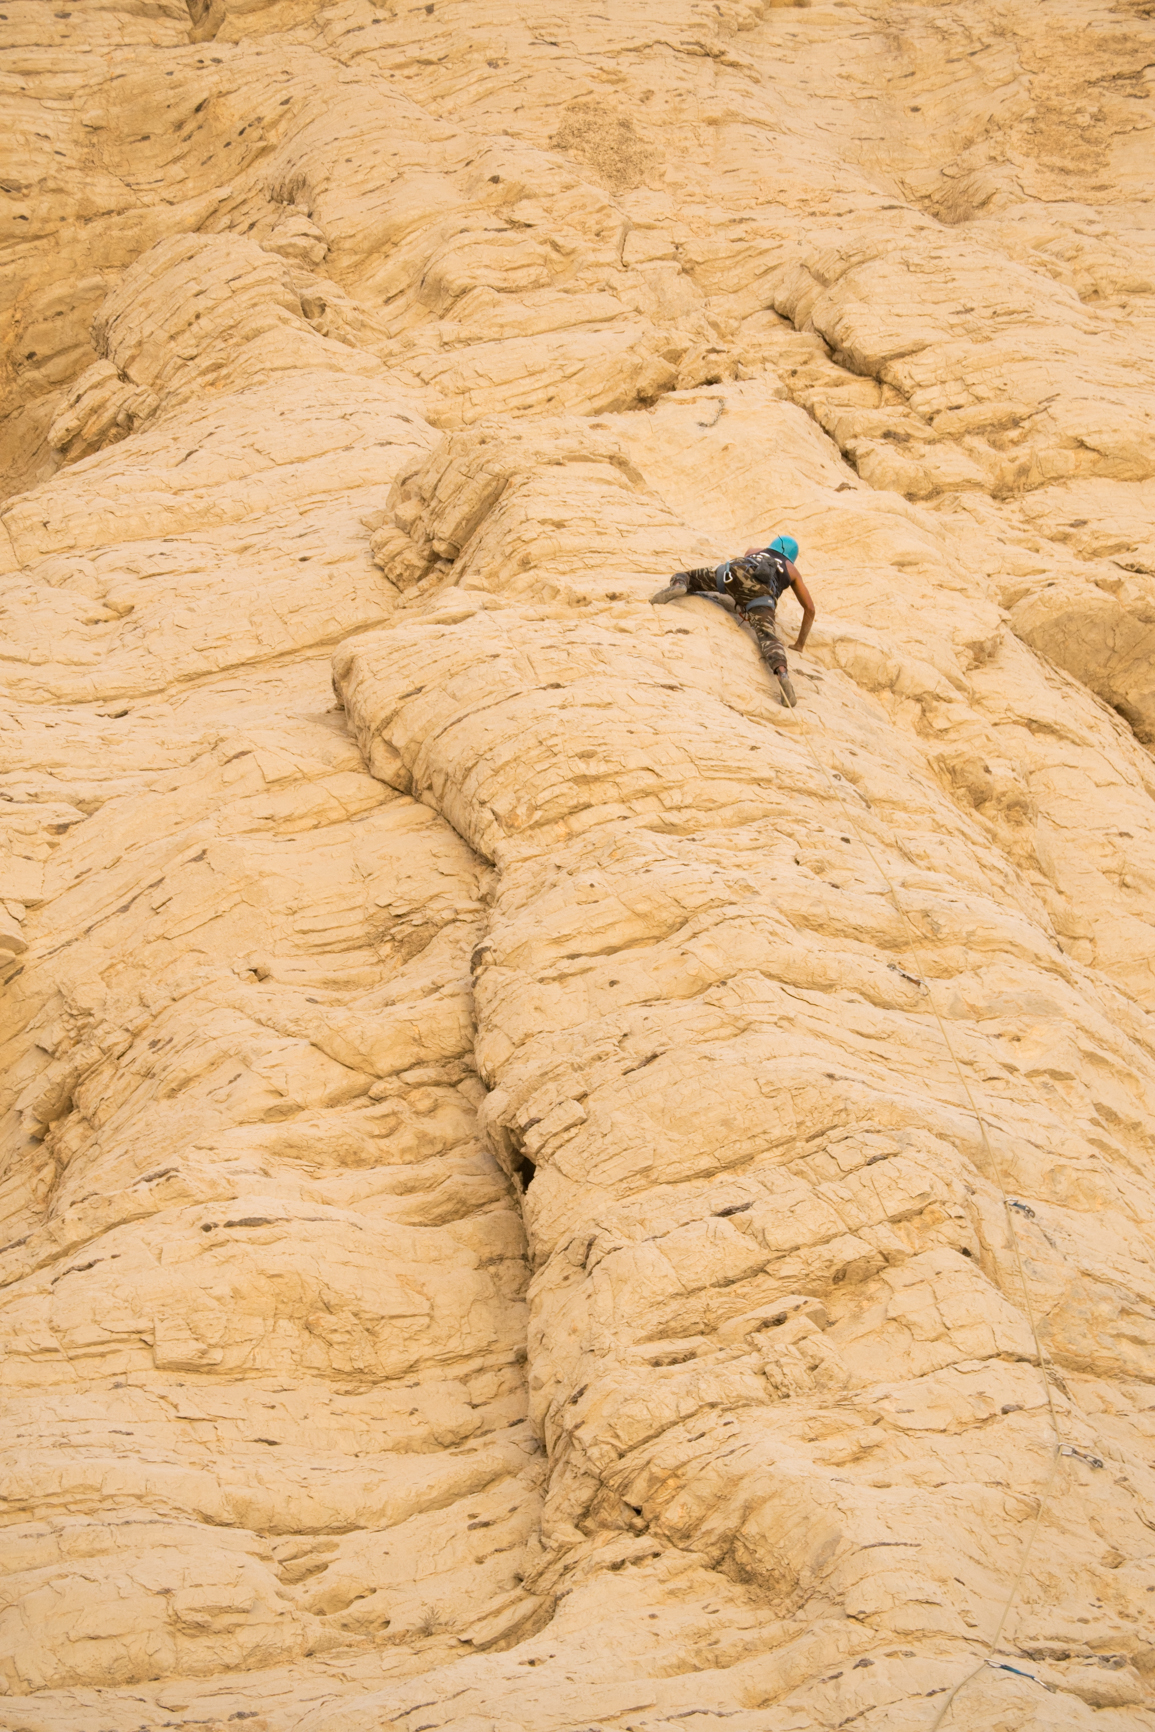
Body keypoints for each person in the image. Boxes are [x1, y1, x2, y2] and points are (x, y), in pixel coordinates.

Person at [650, 534, 815, 707]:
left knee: (687, 576)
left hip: (732, 575)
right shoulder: (792, 570)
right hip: (761, 596)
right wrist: (799, 644)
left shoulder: (754, 551)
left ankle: (680, 585)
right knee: (768, 637)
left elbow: (746, 577)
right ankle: (782, 673)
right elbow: (810, 608)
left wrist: (739, 599)